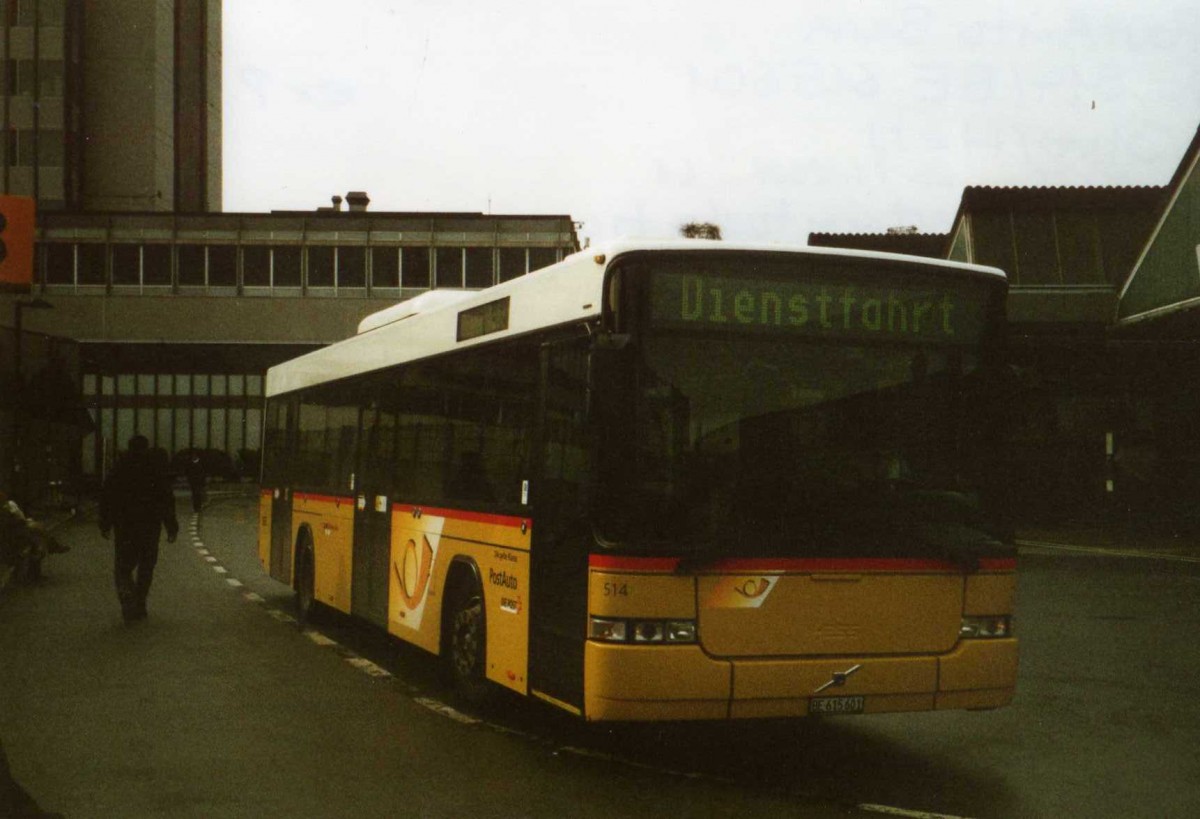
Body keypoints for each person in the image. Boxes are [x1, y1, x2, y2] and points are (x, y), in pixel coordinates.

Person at [99, 435, 179, 622]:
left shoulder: (119, 469)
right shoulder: (154, 470)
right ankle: (140, 602)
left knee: (123, 567)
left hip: (125, 525)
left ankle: (127, 593)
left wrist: (105, 523)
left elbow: (107, 497)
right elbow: (166, 499)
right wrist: (171, 526)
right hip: (150, 526)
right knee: (146, 566)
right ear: (146, 447)